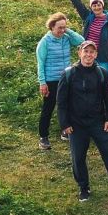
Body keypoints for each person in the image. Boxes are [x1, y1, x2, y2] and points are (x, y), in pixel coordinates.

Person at [57, 40, 108, 200]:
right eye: (86, 51)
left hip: (98, 122)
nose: (88, 55)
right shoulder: (68, 74)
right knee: (78, 157)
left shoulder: (102, 73)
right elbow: (61, 102)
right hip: (76, 125)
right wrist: (65, 124)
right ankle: (84, 188)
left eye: (92, 52)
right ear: (79, 53)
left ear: (96, 54)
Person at [35, 12, 84, 150]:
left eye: (64, 27)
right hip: (51, 80)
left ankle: (65, 131)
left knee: (67, 106)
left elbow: (82, 41)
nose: (62, 30)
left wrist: (68, 30)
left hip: (67, 78)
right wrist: (42, 82)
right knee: (48, 108)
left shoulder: (66, 38)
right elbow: (40, 63)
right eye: (59, 28)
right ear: (51, 27)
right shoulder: (44, 42)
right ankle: (43, 137)